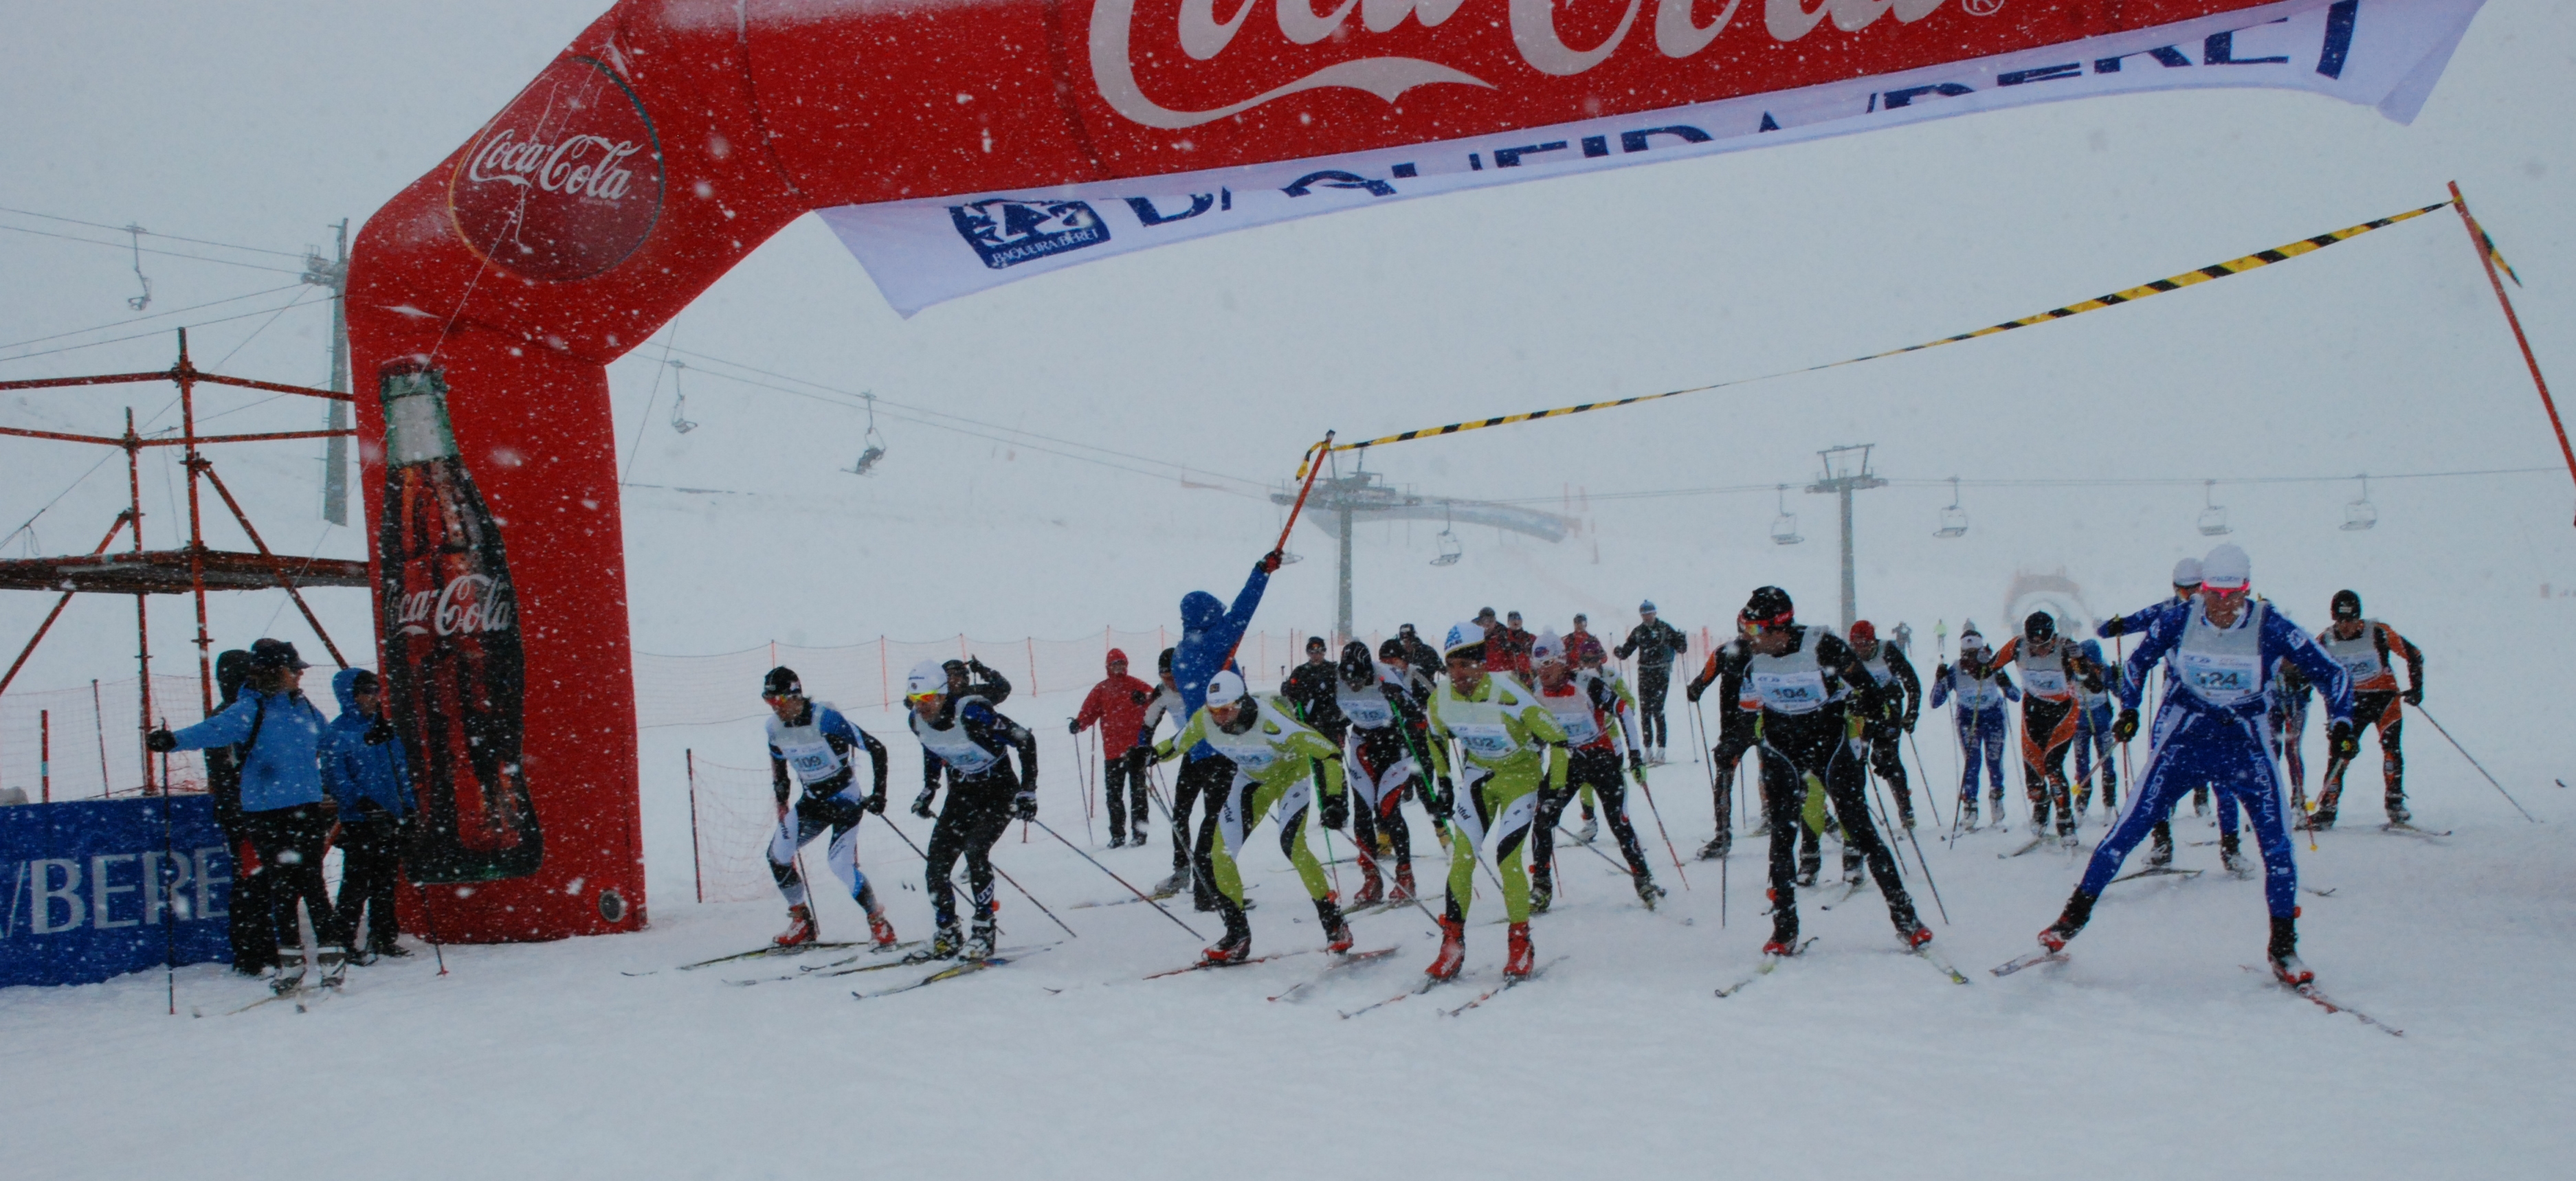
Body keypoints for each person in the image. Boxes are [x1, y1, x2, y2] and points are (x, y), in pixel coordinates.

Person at [2033, 544, 2356, 986]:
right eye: (2214, 593)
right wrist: (2129, 709)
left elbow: (2332, 674)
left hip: (2245, 745)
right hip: (2186, 740)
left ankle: (2284, 947)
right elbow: (2137, 664)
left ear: (2247, 589)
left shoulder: (2270, 625)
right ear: (2203, 588)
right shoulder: (2179, 618)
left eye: (2233, 594)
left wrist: (2341, 721)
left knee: (2279, 845)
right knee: (2128, 828)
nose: (2222, 604)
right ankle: (2070, 920)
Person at [1709, 588, 1931, 956]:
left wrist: (1885, 741)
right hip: (1781, 746)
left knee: (1861, 829)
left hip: (1829, 744)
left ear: (1779, 627)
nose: (1749, 637)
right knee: (1782, 836)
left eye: (1754, 629)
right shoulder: (1745, 656)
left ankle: (1907, 920)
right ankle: (1785, 929)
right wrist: (1731, 744)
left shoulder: (1824, 646)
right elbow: (1740, 711)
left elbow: (1871, 696)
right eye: (1744, 628)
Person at [148, 639, 343, 993]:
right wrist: (172, 740)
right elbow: (212, 731)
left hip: (305, 807)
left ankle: (330, 960)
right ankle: (292, 963)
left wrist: (366, 740)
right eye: (294, 668)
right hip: (266, 812)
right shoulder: (249, 709)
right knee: (284, 888)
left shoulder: (305, 707)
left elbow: (329, 741)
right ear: (275, 671)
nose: (300, 674)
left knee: (311, 883)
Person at [1151, 670, 1353, 964]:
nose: (1220, 717)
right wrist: (1147, 755)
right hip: (1251, 780)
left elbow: (1329, 752)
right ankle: (1237, 935)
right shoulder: (1204, 720)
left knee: (1292, 847)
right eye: (1214, 710)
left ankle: (1334, 923)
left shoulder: (1272, 720)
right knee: (1218, 854)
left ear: (1242, 703)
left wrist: (1334, 799)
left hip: (1290, 776)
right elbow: (1175, 745)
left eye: (1227, 710)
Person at [1422, 621, 1562, 980]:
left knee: (1508, 859)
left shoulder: (1507, 691)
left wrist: (1554, 790)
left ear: (1482, 664)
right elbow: (1435, 738)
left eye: (1466, 665)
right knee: (1462, 862)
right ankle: (1452, 945)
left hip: (1520, 778)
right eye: (1452, 666)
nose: (1458, 674)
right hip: (1478, 778)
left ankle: (1520, 943)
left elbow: (1558, 739)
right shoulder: (1441, 696)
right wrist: (1442, 781)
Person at [2096, 557, 2234, 866]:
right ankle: (2162, 843)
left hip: (2219, 701)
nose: (2192, 596)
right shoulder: (2166, 611)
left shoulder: (2221, 612)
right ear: (2176, 589)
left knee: (2224, 776)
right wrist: (2113, 626)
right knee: (2158, 772)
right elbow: (2117, 628)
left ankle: (2231, 848)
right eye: (2185, 591)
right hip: (2178, 703)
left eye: (2198, 589)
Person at [1168, 552, 1280, 911]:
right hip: (1223, 745)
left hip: (1197, 747)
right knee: (1220, 821)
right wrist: (1261, 571)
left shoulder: (1181, 651)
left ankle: (1208, 885)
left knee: (1211, 818)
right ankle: (1211, 890)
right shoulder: (1215, 642)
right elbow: (1243, 611)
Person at [904, 660, 1038, 960]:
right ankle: (948, 931)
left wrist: (1028, 791)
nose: (921, 707)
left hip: (999, 789)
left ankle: (983, 929)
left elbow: (1025, 740)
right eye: (915, 700)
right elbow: (932, 748)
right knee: (936, 864)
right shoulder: (916, 722)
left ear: (942, 694)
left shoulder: (973, 713)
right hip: (962, 792)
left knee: (975, 850)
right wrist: (929, 788)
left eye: (926, 699)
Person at [761, 666, 898, 950]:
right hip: (812, 802)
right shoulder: (774, 728)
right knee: (778, 855)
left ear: (796, 696)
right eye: (769, 702)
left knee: (839, 864)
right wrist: (782, 787)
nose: (777, 710)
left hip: (845, 800)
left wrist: (879, 795)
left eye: (781, 702)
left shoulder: (825, 718)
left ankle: (879, 923)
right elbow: (778, 757)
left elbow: (877, 748)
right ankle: (802, 922)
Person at [1527, 631, 1665, 910]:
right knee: (1543, 818)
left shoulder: (1586, 684)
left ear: (1563, 661)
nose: (1545, 672)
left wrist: (1636, 757)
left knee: (1619, 823)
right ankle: (1541, 887)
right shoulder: (1537, 692)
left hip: (1601, 757)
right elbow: (1536, 730)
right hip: (1567, 761)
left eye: (1550, 664)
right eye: (1539, 666)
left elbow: (1624, 710)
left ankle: (1644, 880)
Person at [1984, 612, 2108, 841]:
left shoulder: (2066, 648)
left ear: (2054, 637)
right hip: (2033, 711)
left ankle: (2065, 818)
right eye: (2034, 645)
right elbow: (1986, 669)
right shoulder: (2017, 645)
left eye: (2046, 644)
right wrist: (1988, 665)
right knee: (2033, 770)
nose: (2039, 650)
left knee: (2052, 766)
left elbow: (2095, 685)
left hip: (2063, 713)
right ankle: (2040, 807)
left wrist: (2080, 662)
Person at [323, 668, 415, 963]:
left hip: (389, 815)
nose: (373, 698)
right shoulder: (338, 732)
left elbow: (401, 769)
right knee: (356, 882)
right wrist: (361, 803)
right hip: (360, 819)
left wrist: (408, 805)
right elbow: (335, 777)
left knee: (386, 880)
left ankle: (383, 936)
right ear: (349, 695)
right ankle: (344, 941)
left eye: (376, 691)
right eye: (366, 691)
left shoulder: (383, 729)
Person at [2311, 590, 2425, 829]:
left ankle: (2395, 803)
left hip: (2385, 700)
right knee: (2340, 753)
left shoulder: (2378, 632)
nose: (2346, 626)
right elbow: (2314, 674)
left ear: (2358, 617)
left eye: (2351, 620)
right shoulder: (2325, 641)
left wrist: (2416, 689)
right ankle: (2328, 808)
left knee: (2391, 747)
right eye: (2341, 620)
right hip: (2351, 705)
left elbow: (2414, 655)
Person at [1338, 640, 1428, 906]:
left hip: (1394, 745)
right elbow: (1330, 710)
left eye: (1360, 679)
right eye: (1349, 679)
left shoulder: (1386, 676)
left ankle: (1405, 875)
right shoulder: (1336, 679)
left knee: (1388, 809)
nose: (1353, 685)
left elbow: (1419, 719)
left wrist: (1399, 698)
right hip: (1363, 744)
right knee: (1363, 811)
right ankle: (1371, 878)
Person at [201, 649, 271, 975]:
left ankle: (253, 952)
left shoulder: (225, 714)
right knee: (254, 883)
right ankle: (256, 954)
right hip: (248, 811)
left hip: (238, 810)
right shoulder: (240, 714)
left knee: (250, 882)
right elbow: (236, 770)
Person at [1684, 618, 1762, 859]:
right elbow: (1703, 679)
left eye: (1758, 628)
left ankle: (1821, 823)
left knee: (1787, 773)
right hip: (1736, 726)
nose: (1755, 633)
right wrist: (1695, 689)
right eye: (1750, 628)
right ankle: (1723, 835)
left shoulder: (1770, 652)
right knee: (1725, 776)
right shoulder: (1725, 652)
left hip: (1768, 721)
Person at [1927, 627, 2018, 830]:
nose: (1970, 660)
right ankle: (1971, 807)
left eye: (1974, 654)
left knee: (1994, 762)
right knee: (1972, 763)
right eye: (1966, 655)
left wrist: (2003, 681)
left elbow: (2015, 695)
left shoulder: (1993, 666)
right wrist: (1939, 680)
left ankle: (1997, 799)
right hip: (1968, 720)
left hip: (1994, 718)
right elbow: (1935, 701)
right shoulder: (1955, 670)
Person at [1071, 649, 1157, 846]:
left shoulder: (1136, 685)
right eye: (1115, 664)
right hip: (1112, 752)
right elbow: (1089, 712)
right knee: (1114, 797)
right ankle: (1117, 835)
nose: (1119, 667)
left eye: (1122, 663)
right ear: (1108, 667)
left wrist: (1145, 698)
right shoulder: (1101, 689)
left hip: (1135, 750)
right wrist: (1079, 724)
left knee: (1138, 795)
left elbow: (1155, 699)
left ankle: (1140, 834)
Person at [1847, 620, 1923, 829]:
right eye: (1856, 645)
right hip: (1861, 711)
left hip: (1888, 707)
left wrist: (1911, 714)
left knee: (1886, 757)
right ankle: (1857, 809)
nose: (1861, 650)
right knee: (1857, 759)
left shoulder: (1887, 651)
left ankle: (1905, 807)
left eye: (1865, 645)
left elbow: (1913, 684)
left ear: (1873, 642)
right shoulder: (1847, 656)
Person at [1138, 649, 1190, 888]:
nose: (1170, 682)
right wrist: (1143, 751)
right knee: (1180, 814)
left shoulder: (1197, 682)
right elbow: (1147, 725)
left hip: (1221, 753)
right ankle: (1182, 872)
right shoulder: (1163, 693)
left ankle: (1219, 872)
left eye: (1173, 676)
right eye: (1164, 677)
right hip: (1192, 753)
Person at [1616, 600, 1689, 763]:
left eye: (1649, 613)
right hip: (1645, 673)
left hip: (1661, 672)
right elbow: (1627, 650)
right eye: (1644, 614)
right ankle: (1648, 749)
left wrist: (1682, 640)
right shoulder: (1639, 631)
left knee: (1658, 710)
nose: (1647, 617)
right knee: (1645, 711)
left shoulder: (1665, 628)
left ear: (1655, 613)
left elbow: (1681, 648)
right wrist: (1619, 652)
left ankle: (1661, 749)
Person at [2071, 640, 2122, 816]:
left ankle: (2110, 800)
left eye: (2096, 663)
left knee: (2107, 760)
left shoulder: (2104, 671)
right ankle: (2082, 799)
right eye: (2091, 662)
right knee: (2081, 761)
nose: (2094, 667)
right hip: (2080, 724)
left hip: (2102, 722)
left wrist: (2119, 677)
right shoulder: (2073, 672)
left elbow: (2120, 692)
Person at [2267, 658, 2312, 813]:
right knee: (2272, 751)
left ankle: (2298, 798)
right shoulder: (2267, 650)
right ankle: (2270, 797)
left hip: (2296, 706)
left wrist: (2301, 683)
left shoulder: (2299, 651)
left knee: (2292, 750)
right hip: (2272, 707)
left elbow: (2315, 677)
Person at [1394, 624, 1442, 691]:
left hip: (1425, 692)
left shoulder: (1428, 652)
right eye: (1403, 640)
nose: (1405, 643)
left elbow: (1442, 669)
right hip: (1405, 692)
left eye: (1408, 639)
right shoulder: (1398, 654)